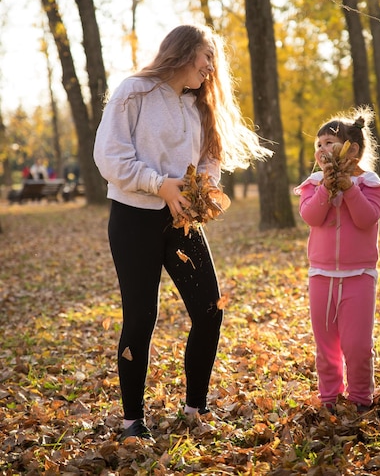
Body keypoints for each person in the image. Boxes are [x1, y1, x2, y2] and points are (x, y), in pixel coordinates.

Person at [93, 24, 272, 441]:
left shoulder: (196, 104)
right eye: (206, 56)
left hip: (181, 223)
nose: (211, 67)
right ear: (184, 51)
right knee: (141, 317)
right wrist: (160, 184)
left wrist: (204, 186)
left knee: (210, 309)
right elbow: (109, 157)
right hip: (134, 218)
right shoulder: (132, 92)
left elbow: (211, 156)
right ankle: (131, 423)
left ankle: (195, 409)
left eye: (213, 60)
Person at [294, 106, 380, 412]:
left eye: (330, 142)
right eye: (318, 145)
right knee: (326, 346)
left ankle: (361, 398)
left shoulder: (370, 184)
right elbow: (311, 216)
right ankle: (330, 397)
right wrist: (326, 186)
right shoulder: (313, 184)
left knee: (357, 345)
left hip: (359, 276)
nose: (322, 148)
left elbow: (366, 219)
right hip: (321, 275)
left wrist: (348, 187)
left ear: (353, 150)